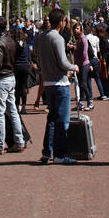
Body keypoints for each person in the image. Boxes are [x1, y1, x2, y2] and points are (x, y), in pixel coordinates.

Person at [35, 9, 77, 164]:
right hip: (60, 83)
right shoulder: (57, 38)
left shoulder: (41, 37)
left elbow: (38, 58)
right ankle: (60, 154)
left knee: (51, 119)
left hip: (48, 82)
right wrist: (74, 67)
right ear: (61, 22)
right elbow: (62, 61)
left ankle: (47, 152)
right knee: (62, 120)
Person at [0, 15, 26, 156]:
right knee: (12, 110)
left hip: (2, 78)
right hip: (11, 76)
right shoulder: (11, 40)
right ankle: (19, 141)